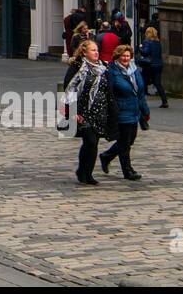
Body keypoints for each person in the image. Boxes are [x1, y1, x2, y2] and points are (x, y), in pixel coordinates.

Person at [64, 40, 117, 185]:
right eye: (93, 50)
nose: (96, 52)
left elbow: (108, 90)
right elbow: (69, 88)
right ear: (84, 52)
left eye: (97, 50)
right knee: (90, 141)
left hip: (100, 111)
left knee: (94, 144)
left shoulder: (104, 67)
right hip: (83, 111)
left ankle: (88, 173)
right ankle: (82, 171)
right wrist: (72, 111)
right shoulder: (77, 67)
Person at [99, 44, 149, 181]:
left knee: (129, 140)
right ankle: (128, 171)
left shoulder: (134, 70)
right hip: (121, 111)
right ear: (118, 56)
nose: (126, 58)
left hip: (134, 110)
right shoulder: (112, 71)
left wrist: (145, 110)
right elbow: (108, 92)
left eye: (128, 56)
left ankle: (106, 156)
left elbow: (140, 92)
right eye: (123, 56)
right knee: (125, 143)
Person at [137, 26, 168, 108]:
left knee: (143, 83)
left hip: (149, 65)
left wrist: (140, 48)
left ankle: (141, 101)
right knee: (158, 83)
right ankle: (164, 101)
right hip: (158, 65)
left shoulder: (147, 42)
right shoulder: (158, 42)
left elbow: (145, 52)